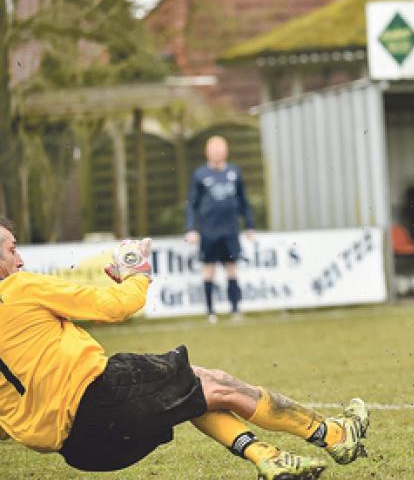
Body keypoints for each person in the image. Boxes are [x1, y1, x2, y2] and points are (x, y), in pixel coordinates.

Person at [0, 217, 369, 479]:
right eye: (12, 250)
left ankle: (269, 458)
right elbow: (117, 307)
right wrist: (138, 272)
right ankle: (336, 436)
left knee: (193, 392)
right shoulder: (18, 288)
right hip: (102, 395)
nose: (20, 260)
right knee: (217, 384)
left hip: (84, 451)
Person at [186, 135, 255, 323]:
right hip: (209, 232)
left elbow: (243, 201)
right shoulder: (200, 175)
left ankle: (235, 310)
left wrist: (250, 225)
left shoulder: (234, 172)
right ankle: (210, 312)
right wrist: (191, 228)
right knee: (209, 270)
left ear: (226, 151)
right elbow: (192, 204)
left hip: (230, 231)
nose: (217, 152)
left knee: (232, 269)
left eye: (220, 149)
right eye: (213, 149)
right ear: (207, 152)